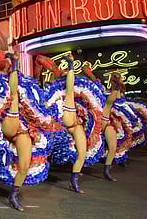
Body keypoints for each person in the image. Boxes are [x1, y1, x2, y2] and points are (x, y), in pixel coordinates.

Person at [0, 51, 59, 211]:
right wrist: (12, 64)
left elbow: (29, 87)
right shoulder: (0, 83)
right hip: (7, 123)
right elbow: (9, 85)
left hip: (21, 129)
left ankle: (13, 194)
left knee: (24, 165)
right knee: (13, 94)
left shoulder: (25, 86)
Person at [38, 54, 104, 194]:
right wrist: (70, 65)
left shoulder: (69, 96)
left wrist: (70, 66)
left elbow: (70, 82)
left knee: (82, 153)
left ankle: (73, 180)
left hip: (76, 126)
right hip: (62, 129)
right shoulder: (55, 99)